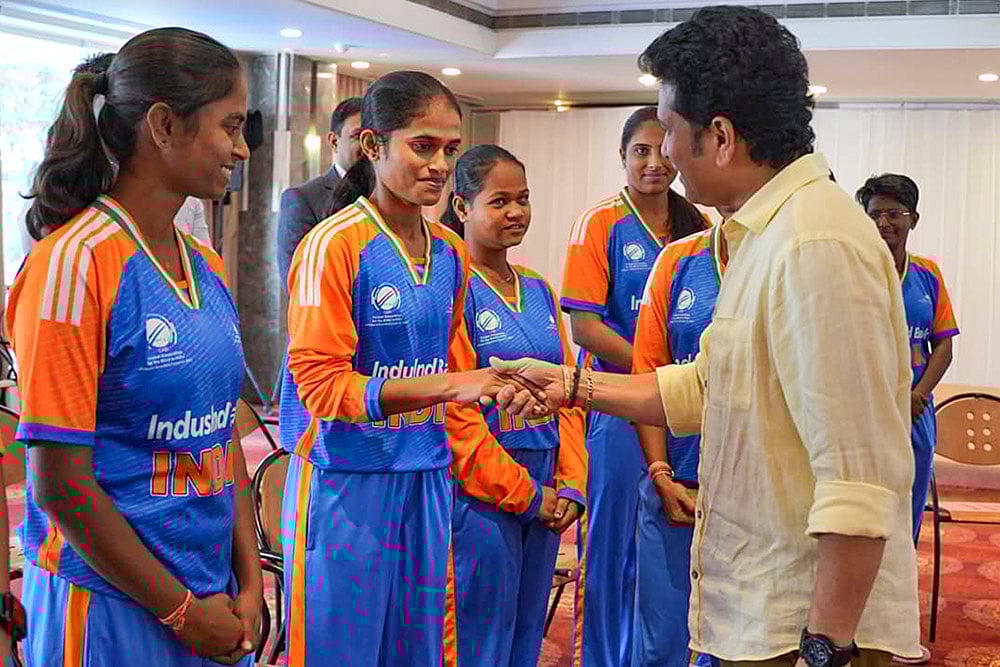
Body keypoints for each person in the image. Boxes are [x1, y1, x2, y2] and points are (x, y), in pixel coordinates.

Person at [486, 6, 922, 667]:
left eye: (672, 134)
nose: (666, 156)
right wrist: (572, 384)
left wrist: (822, 651)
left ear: (720, 136)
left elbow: (858, 480)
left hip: (801, 630)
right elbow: (707, 386)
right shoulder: (761, 233)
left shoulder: (816, 241)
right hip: (759, 612)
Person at [279, 71, 556, 667]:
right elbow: (321, 386)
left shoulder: (450, 250)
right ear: (374, 147)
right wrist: (458, 384)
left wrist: (504, 391)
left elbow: (458, 372)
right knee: (340, 653)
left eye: (450, 150)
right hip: (345, 479)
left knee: (420, 651)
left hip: (427, 473)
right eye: (422, 146)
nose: (438, 164)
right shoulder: (334, 244)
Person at [11, 28, 262, 665]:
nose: (241, 147)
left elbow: (220, 435)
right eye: (229, 125)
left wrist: (251, 577)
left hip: (208, 594)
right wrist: (178, 610)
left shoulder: (202, 262)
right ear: (163, 125)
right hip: (111, 605)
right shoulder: (74, 264)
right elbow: (60, 485)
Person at [559, 105, 706, 666]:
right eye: (639, 151)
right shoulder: (600, 224)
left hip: (684, 409)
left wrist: (672, 378)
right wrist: (656, 368)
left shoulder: (699, 227)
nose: (652, 161)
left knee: (671, 553)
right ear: (622, 158)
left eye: (660, 149)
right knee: (612, 551)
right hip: (618, 406)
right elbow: (586, 327)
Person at [441, 145, 587, 666]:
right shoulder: (454, 290)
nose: (516, 213)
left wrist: (570, 482)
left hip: (547, 484)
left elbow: (569, 395)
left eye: (523, 200)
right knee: (480, 639)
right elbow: (455, 413)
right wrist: (524, 494)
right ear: (461, 208)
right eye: (499, 201)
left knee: (527, 635)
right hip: (483, 493)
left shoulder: (540, 290)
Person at [857, 174, 958, 664]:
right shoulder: (853, 270)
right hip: (863, 415)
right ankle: (854, 623)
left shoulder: (929, 275)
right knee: (860, 518)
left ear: (912, 219)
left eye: (894, 213)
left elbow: (944, 345)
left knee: (907, 522)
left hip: (914, 416)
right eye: (875, 213)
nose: (884, 223)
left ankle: (896, 629)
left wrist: (917, 394)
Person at [631, 206, 735, 667]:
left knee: (739, 644)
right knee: (663, 640)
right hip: (678, 485)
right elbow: (649, 376)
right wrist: (660, 472)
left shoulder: (789, 261)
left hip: (756, 496)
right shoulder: (678, 261)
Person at [275, 96, 363, 291]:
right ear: (334, 141)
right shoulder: (302, 199)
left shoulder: (386, 199)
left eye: (373, 138)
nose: (367, 146)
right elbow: (299, 285)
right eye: (358, 136)